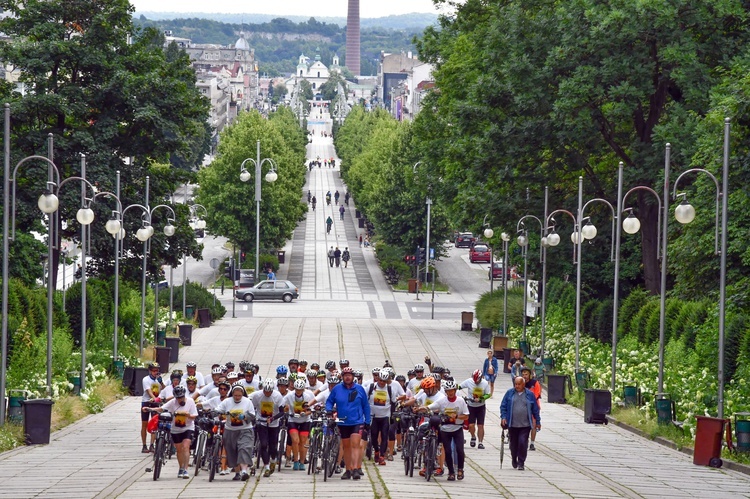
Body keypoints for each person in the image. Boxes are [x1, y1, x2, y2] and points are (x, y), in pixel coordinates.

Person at [417, 380, 469, 481]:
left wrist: (457, 416)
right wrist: (422, 408)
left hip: (457, 428)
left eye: (452, 390)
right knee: (448, 451)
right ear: (446, 391)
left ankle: (460, 469)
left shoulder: (460, 401)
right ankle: (451, 472)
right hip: (445, 429)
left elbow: (466, 416)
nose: (450, 393)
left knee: (459, 450)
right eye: (448, 391)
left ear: (454, 390)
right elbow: (431, 406)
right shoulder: (443, 401)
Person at [325, 367, 370, 480]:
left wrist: (368, 420)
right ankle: (348, 470)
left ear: (353, 377)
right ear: (342, 377)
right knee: (346, 446)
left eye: (349, 375)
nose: (348, 377)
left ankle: (355, 469)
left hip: (357, 421)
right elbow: (329, 401)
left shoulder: (360, 389)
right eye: (345, 375)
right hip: (343, 422)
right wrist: (329, 409)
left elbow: (366, 405)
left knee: (355, 444)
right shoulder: (337, 389)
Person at [144, 385, 198, 479]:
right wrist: (149, 409)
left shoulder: (190, 401)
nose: (180, 400)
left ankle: (185, 469)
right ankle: (181, 468)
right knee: (179, 449)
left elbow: (194, 416)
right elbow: (161, 409)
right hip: (175, 429)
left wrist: (188, 415)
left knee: (185, 447)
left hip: (188, 427)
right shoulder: (172, 402)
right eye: (178, 398)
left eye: (181, 397)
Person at [500, 376, 541, 471]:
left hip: (525, 424)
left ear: (523, 384)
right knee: (513, 444)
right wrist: (503, 417)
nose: (517, 386)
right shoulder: (510, 393)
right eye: (515, 384)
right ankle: (514, 458)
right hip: (512, 423)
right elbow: (503, 406)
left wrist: (538, 421)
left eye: (519, 384)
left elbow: (535, 409)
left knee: (523, 442)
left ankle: (521, 462)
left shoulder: (529, 394)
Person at [217, 384, 256, 481]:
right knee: (232, 451)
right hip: (230, 430)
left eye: (239, 396)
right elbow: (218, 409)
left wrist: (245, 416)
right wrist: (216, 412)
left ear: (242, 394)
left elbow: (252, 415)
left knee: (244, 448)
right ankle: (237, 472)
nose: (237, 397)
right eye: (235, 395)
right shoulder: (227, 402)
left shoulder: (247, 402)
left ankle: (244, 472)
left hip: (245, 429)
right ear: (232, 394)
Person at [249, 379, 288, 477]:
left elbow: (282, 411)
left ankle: (273, 460)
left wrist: (273, 418)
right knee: (263, 445)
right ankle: (266, 467)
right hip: (261, 422)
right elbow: (252, 408)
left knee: (273, 446)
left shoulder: (277, 396)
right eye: (265, 391)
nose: (267, 393)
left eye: (269, 392)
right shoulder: (257, 396)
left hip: (273, 424)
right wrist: (254, 418)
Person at [460, 369, 491, 449]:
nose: (476, 382)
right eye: (474, 381)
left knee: (480, 425)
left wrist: (481, 398)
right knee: (471, 425)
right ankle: (473, 436)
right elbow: (459, 387)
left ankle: (480, 442)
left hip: (481, 407)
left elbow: (488, 394)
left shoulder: (485, 383)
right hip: (471, 406)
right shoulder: (469, 381)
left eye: (477, 381)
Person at [140, 363, 164, 453]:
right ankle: (144, 445)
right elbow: (149, 391)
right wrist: (155, 399)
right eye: (154, 370)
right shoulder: (146, 379)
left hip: (155, 404)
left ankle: (152, 444)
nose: (155, 372)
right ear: (150, 371)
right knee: (144, 424)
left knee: (154, 424)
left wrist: (161, 382)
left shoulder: (158, 380)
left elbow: (165, 389)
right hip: (147, 402)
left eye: (157, 370)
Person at [521, 366, 542, 450]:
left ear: (529, 375)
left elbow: (537, 394)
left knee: (533, 424)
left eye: (526, 374)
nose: (524, 376)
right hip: (522, 406)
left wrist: (530, 401)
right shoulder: (520, 383)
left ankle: (532, 443)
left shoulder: (535, 383)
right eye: (523, 374)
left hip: (534, 406)